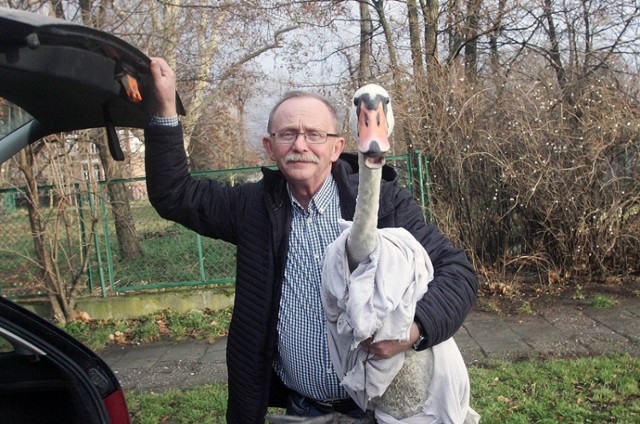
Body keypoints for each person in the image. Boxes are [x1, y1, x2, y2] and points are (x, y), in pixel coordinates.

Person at [144, 57, 479, 423]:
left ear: (336, 148)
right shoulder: (251, 208)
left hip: (377, 410)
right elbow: (173, 194)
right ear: (270, 148)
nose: (300, 144)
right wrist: (164, 108)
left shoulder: (385, 205)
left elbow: (457, 273)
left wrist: (412, 331)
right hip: (302, 410)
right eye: (286, 134)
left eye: (314, 134)